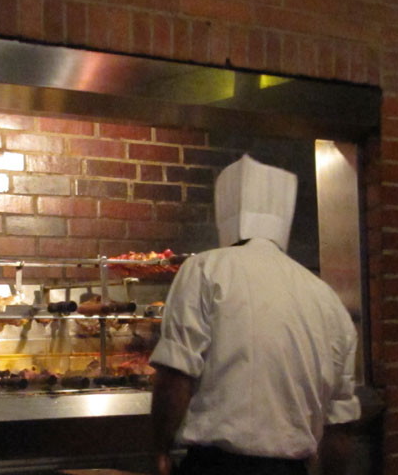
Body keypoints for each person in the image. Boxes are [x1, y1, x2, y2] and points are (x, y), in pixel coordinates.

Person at [149, 155, 361, 475]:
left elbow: (175, 377)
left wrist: (161, 449)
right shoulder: (328, 300)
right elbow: (340, 427)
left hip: (217, 467)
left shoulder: (205, 268)